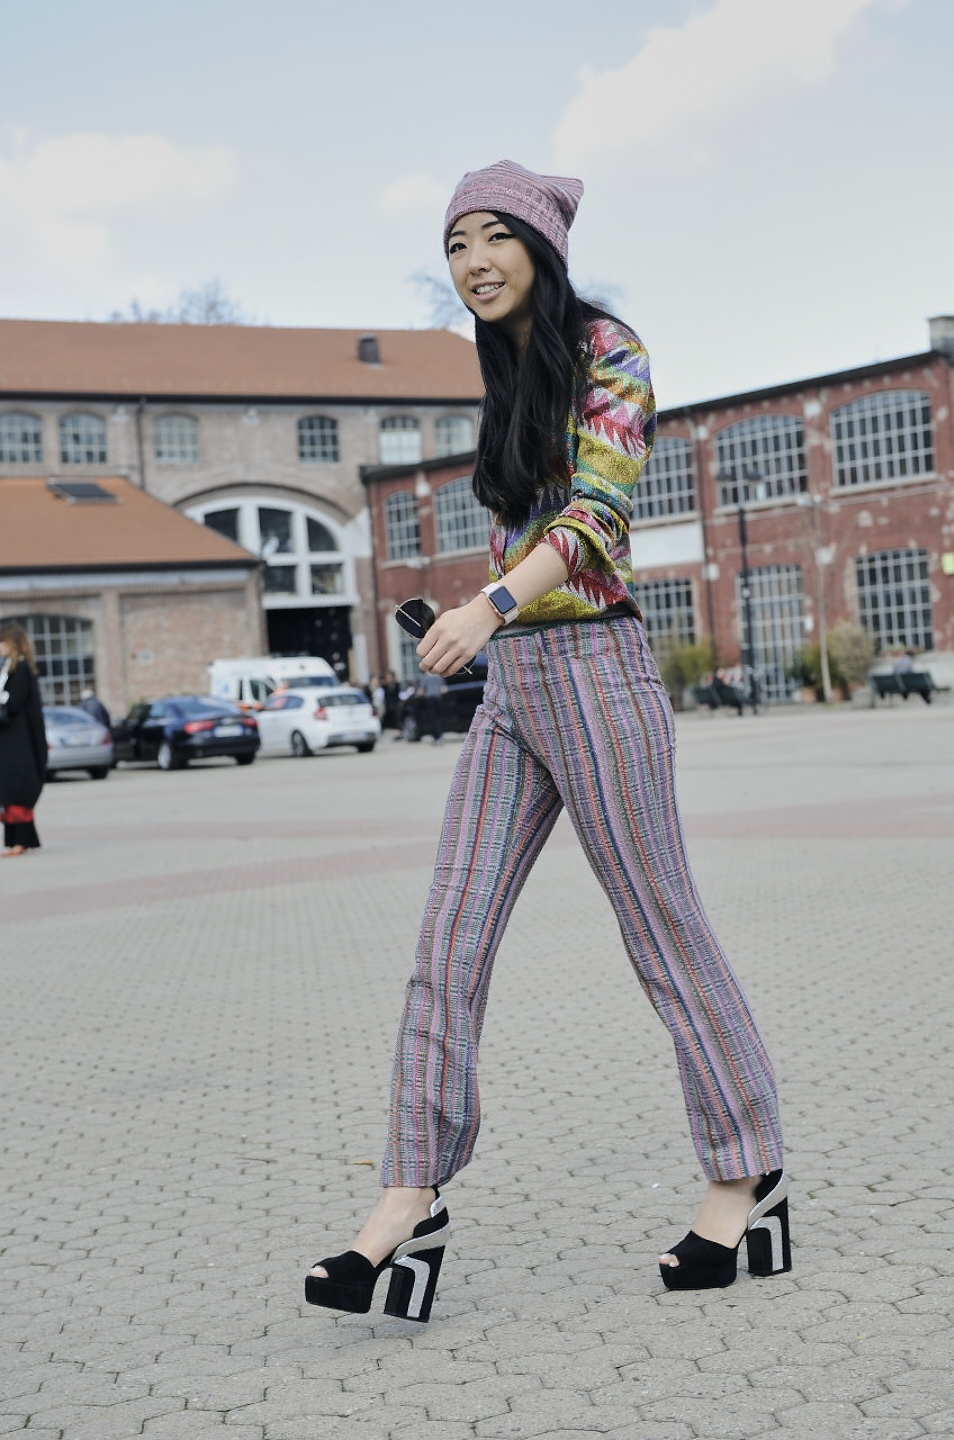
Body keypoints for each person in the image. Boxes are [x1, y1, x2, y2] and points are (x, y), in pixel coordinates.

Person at [305, 160, 789, 1322]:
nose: (473, 262)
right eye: (454, 244)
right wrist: (483, 623)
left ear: (540, 247)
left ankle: (745, 1172)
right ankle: (408, 1195)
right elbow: (525, 529)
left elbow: (598, 512)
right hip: (514, 691)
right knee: (448, 936)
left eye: (493, 236)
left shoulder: (608, 349)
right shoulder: (505, 374)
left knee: (661, 933)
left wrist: (488, 607)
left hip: (597, 677)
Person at [0, 621, 47, 858]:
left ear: (13, 643)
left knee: (15, 790)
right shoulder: (11, 668)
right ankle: (22, 841)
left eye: (2, 642)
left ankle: (19, 842)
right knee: (9, 790)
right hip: (11, 740)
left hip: (18, 742)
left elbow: (13, 703)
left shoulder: (20, 670)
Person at [419, 669, 445, 744]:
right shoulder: (439, 677)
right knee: (438, 718)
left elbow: (421, 691)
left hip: (430, 699)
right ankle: (438, 736)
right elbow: (443, 689)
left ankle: (436, 736)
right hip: (438, 699)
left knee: (432, 718)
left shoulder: (425, 678)